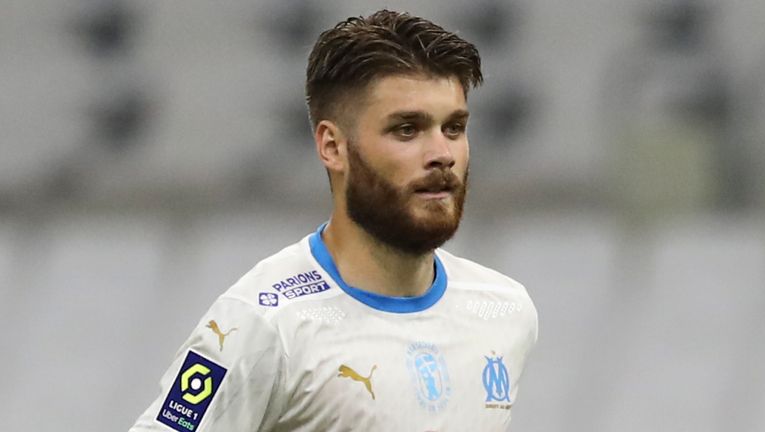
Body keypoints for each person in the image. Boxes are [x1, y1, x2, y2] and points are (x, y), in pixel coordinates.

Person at [130, 9, 537, 432]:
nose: (442, 154)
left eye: (453, 128)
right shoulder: (264, 323)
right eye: (406, 129)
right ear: (332, 146)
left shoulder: (503, 310)